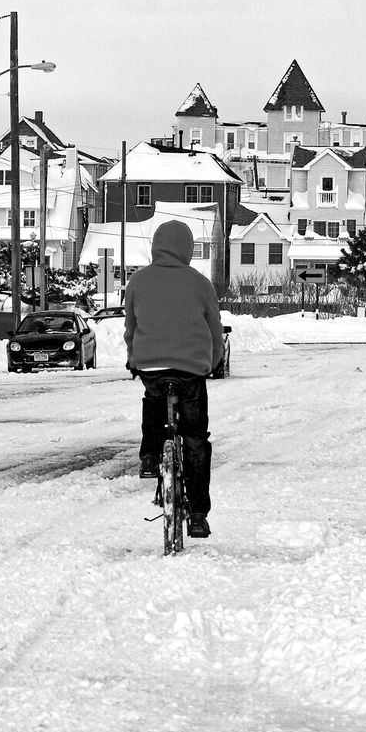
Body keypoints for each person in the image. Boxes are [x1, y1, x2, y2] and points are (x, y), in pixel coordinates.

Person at [123, 220, 224, 539]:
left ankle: (150, 457)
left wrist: (134, 359)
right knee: (195, 438)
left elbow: (131, 328)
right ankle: (197, 514)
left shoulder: (137, 280)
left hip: (151, 367)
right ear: (187, 248)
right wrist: (212, 362)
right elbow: (214, 330)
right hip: (191, 369)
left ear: (156, 245)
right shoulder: (200, 282)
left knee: (153, 402)